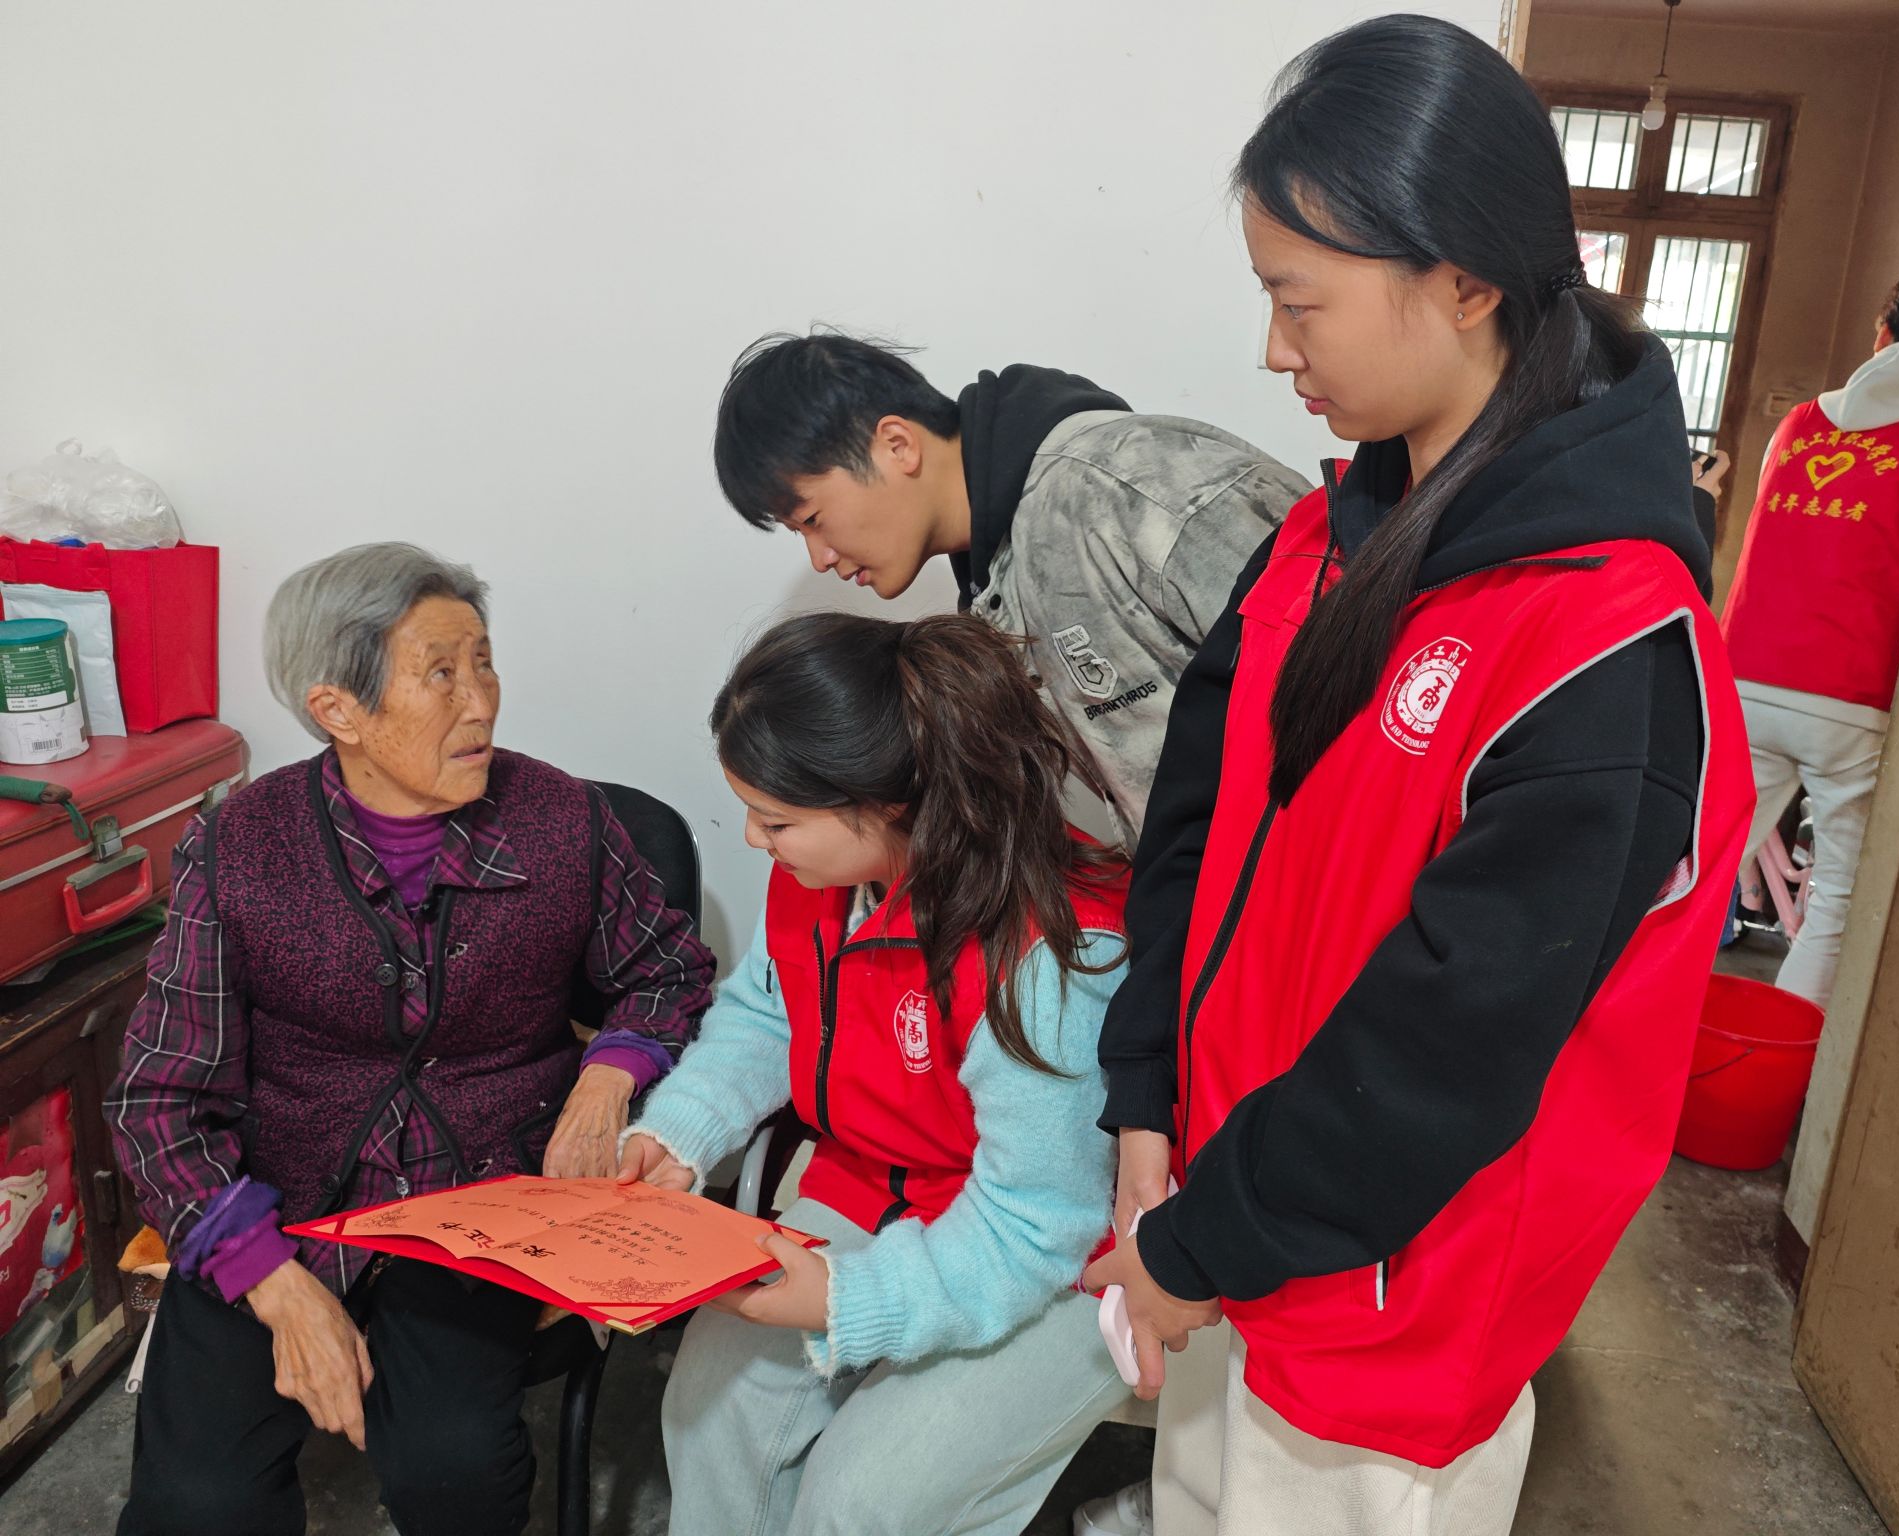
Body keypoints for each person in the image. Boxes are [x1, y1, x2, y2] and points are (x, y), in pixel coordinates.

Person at [1081, 18, 1754, 1535]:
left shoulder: (1602, 640)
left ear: (1462, 282)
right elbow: (1191, 837)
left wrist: (1203, 1243)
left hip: (1384, 1319)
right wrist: (1147, 1102)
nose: (1275, 350)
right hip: (1229, 1230)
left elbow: (1454, 1040)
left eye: (1297, 301)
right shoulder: (1321, 540)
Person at [106, 543, 715, 1536]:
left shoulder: (564, 819)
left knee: (456, 1472)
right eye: (440, 673)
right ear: (338, 710)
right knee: (197, 1504)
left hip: (483, 1195)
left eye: (484, 663)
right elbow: (159, 1100)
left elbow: (667, 972)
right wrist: (272, 1284)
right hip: (276, 1198)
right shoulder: (238, 847)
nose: (481, 703)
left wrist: (607, 1078)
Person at [618, 612, 1133, 1536]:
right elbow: (771, 1013)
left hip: (1060, 1261)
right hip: (876, 1190)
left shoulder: (1050, 956)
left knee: (865, 1502)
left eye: (777, 819)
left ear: (890, 803)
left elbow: (1039, 1222)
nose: (752, 838)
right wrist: (680, 1132)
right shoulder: (818, 878)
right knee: (710, 1412)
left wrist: (851, 1301)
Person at [712, 331, 1307, 847]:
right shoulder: (992, 585)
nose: (819, 558)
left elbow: (1344, 685)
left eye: (812, 519)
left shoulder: (1123, 484)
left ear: (897, 445)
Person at [1720, 266, 1899, 1008]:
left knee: (1691, 876)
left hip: (1743, 678)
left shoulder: (1798, 424)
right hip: (1853, 698)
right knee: (1835, 906)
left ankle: (1630, 1039)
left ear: (1883, 336)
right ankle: (1780, 1061)